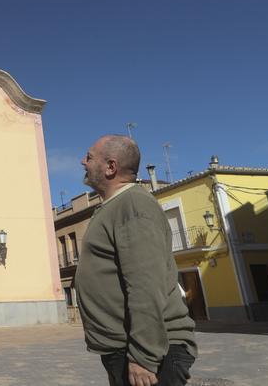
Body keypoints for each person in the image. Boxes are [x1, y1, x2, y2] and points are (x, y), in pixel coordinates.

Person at [75, 135, 196, 386]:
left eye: (89, 157)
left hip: (149, 352)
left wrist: (143, 357)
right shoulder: (114, 207)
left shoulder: (134, 205)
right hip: (124, 348)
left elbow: (145, 285)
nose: (82, 162)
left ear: (111, 167)